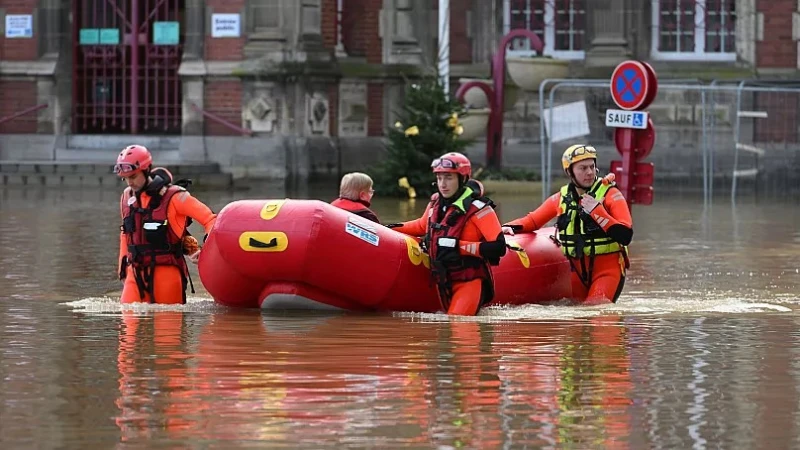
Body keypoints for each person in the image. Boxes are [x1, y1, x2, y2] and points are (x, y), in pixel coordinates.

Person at [502, 144, 633, 305]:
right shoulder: (562, 197)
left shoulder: (611, 194)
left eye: (592, 167)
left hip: (608, 269)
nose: (590, 172)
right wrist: (505, 227)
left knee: (594, 313)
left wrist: (597, 211)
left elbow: (626, 235)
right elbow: (532, 221)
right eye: (583, 168)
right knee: (576, 324)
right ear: (569, 172)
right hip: (577, 272)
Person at [386, 152, 507, 316]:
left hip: (468, 282)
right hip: (441, 281)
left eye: (448, 178)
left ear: (462, 179)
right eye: (439, 178)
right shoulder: (436, 203)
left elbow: (499, 247)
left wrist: (459, 247)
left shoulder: (480, 209)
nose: (443, 184)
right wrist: (387, 228)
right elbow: (421, 226)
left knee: (456, 328)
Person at [115, 144, 217, 304]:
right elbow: (125, 234)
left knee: (168, 326)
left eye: (133, 176)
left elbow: (210, 220)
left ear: (146, 169)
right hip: (135, 273)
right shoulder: (126, 198)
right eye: (125, 178)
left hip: (167, 272)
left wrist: (206, 251)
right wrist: (122, 269)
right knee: (127, 322)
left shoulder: (176, 197)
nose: (129, 182)